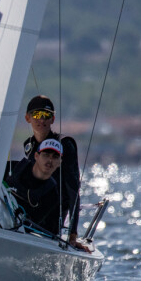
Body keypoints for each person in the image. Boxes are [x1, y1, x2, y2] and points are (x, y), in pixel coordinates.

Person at [20, 95, 85, 249]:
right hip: (29, 214)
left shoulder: (64, 145)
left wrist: (72, 234)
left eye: (46, 115)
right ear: (28, 118)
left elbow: (73, 190)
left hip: (52, 218)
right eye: (37, 114)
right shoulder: (29, 145)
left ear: (53, 119)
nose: (41, 119)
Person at [4, 139, 64, 236]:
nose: (50, 160)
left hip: (15, 230)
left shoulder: (52, 195)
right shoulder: (11, 167)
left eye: (55, 157)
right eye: (46, 155)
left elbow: (45, 229)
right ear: (36, 156)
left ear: (60, 162)